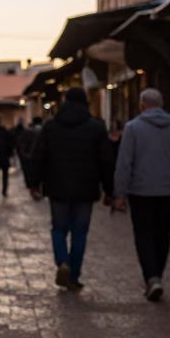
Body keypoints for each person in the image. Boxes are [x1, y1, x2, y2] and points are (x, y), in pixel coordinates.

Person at [112, 88, 170, 302]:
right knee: (162, 235)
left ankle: (151, 277)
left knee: (143, 235)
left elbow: (124, 163)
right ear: (161, 104)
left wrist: (119, 193)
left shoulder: (132, 129)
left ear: (142, 105)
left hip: (140, 191)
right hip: (169, 191)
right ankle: (157, 274)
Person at [27, 86, 113, 291]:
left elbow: (37, 156)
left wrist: (33, 183)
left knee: (58, 229)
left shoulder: (51, 126)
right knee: (79, 233)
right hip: (86, 188)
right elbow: (106, 161)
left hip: (57, 188)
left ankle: (62, 262)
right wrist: (110, 189)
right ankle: (73, 275)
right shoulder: (96, 127)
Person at [17, 116, 43, 191]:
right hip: (40, 157)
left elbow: (22, 145)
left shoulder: (28, 132)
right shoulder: (44, 131)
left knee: (32, 174)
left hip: (31, 157)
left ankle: (34, 188)